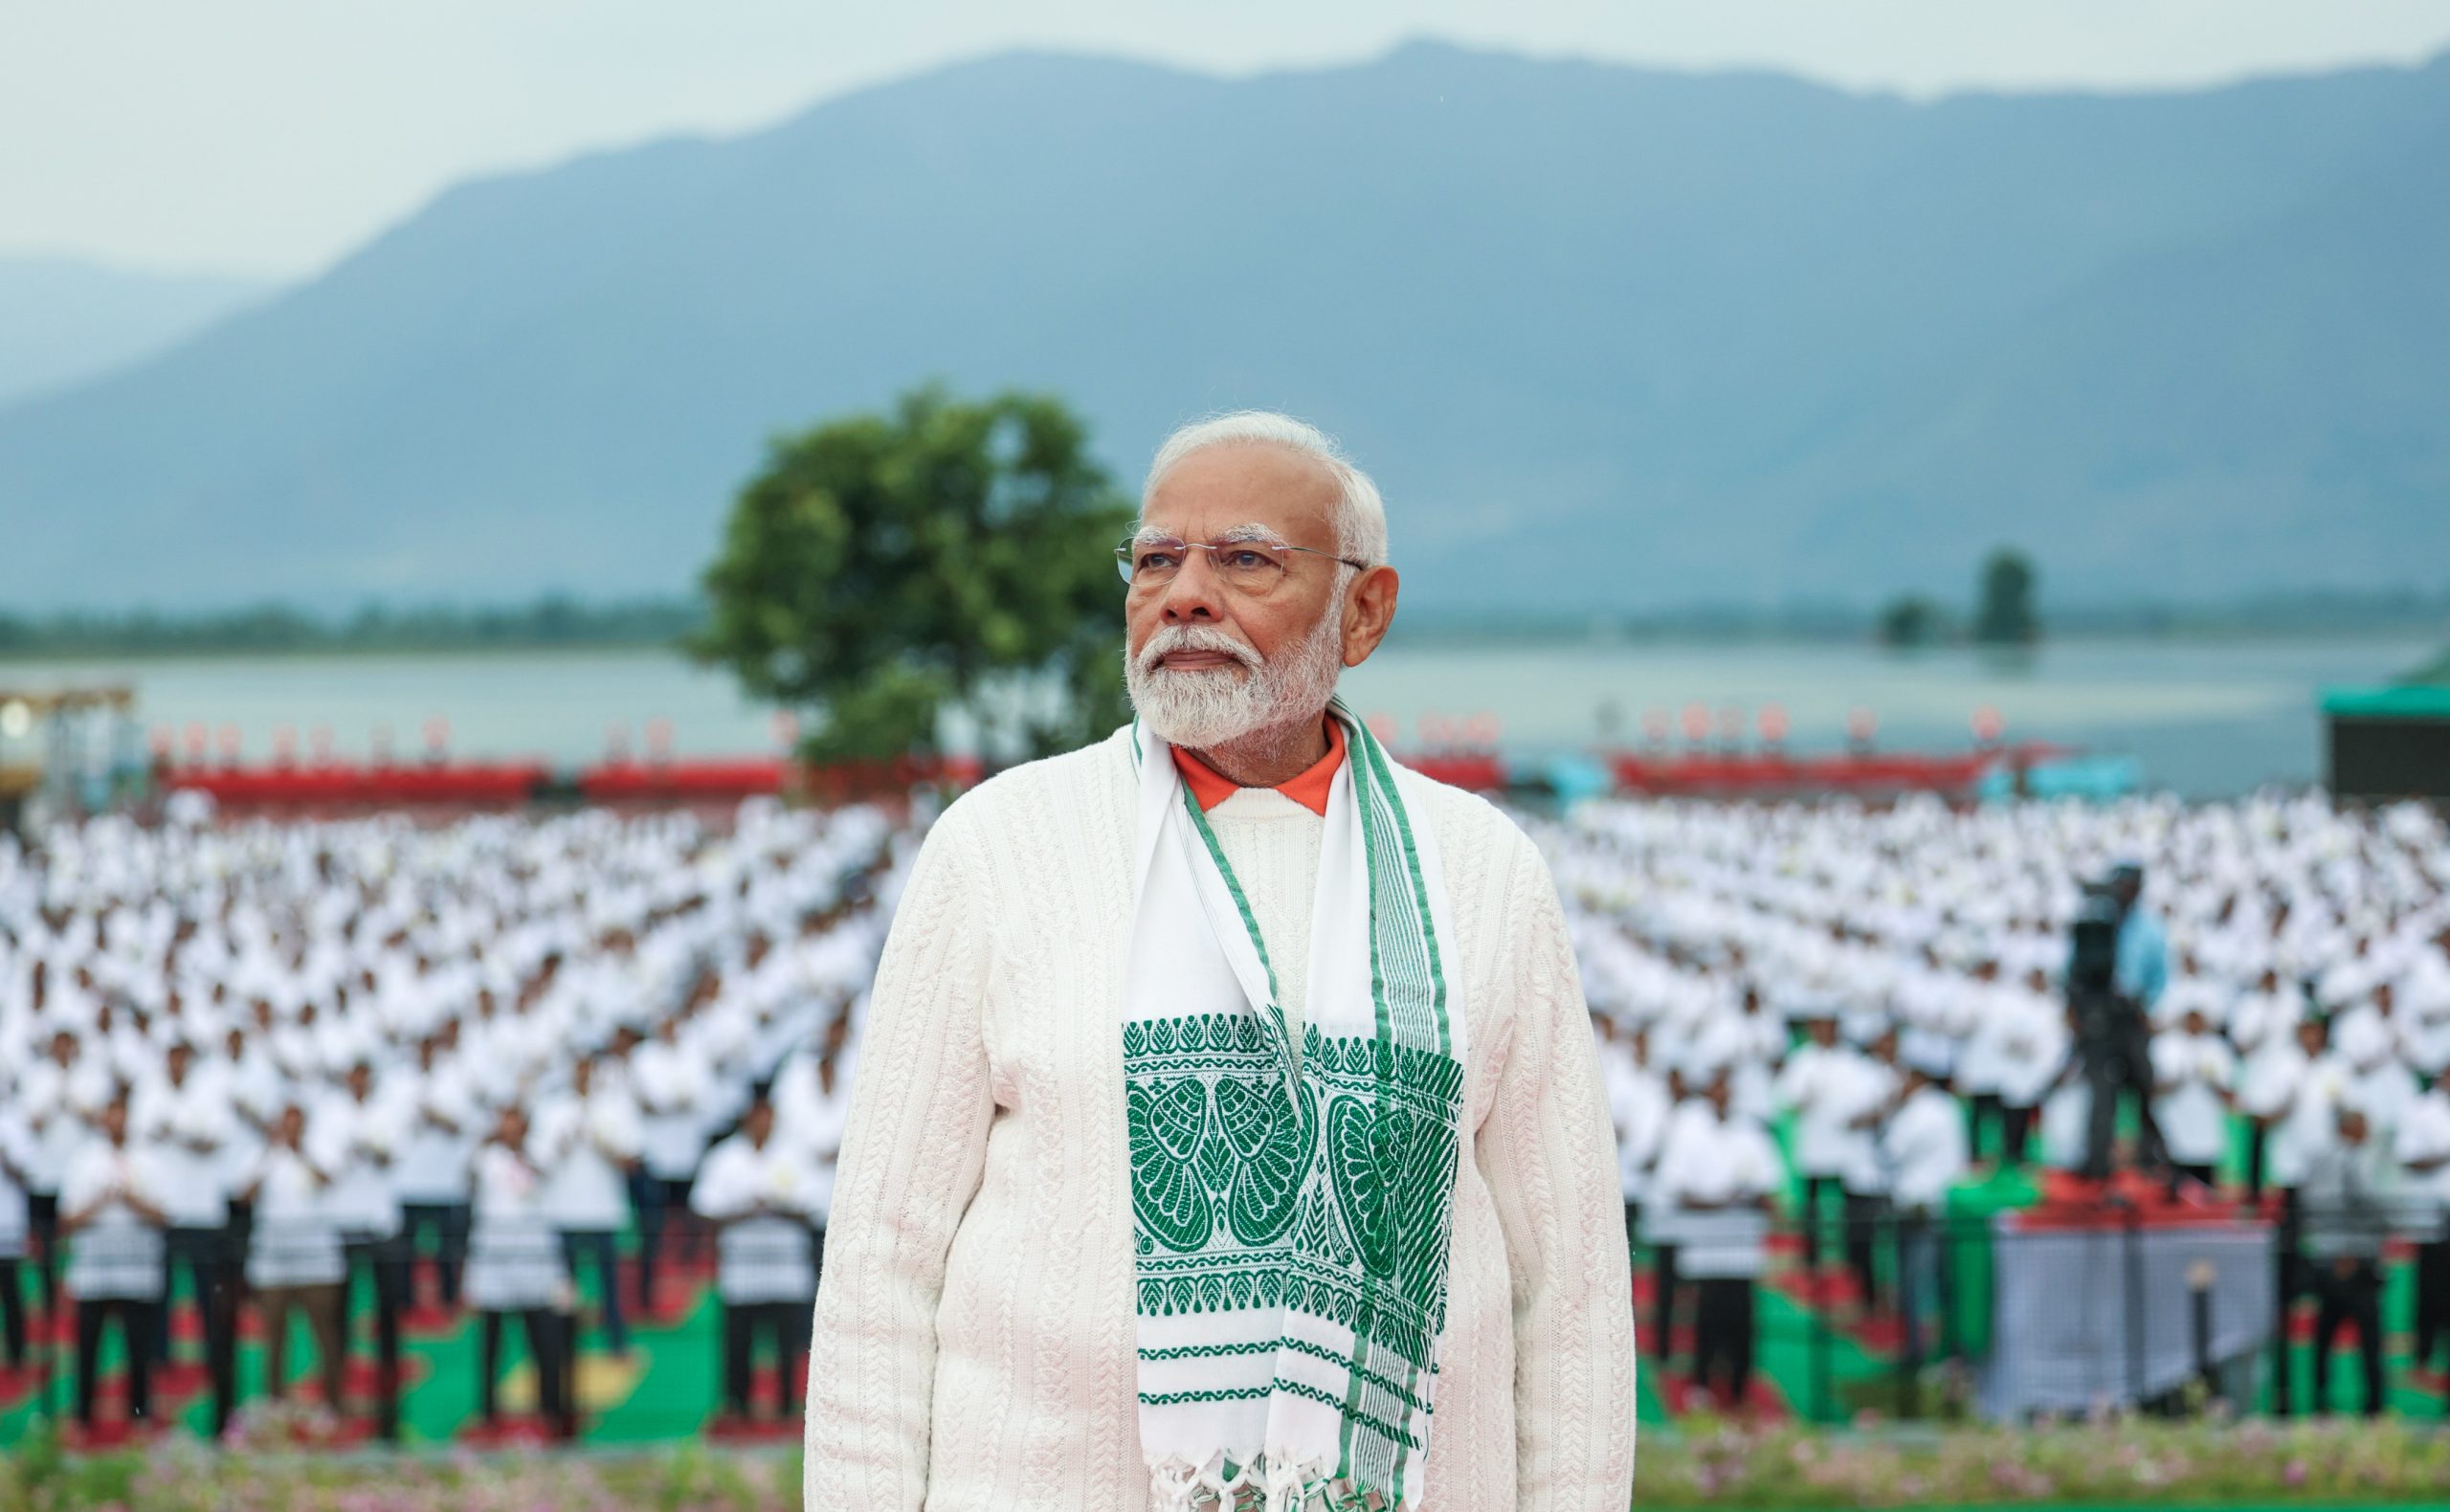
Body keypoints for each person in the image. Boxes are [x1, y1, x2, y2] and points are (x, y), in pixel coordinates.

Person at [804, 413, 1636, 1510]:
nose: (1184, 593)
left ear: (1365, 609)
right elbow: (882, 1265)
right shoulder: (998, 845)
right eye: (1156, 559)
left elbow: (1567, 1288)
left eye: (1243, 558)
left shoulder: (1480, 870)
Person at [1651, 1066, 1781, 1413]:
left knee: (1742, 1321)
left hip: (1741, 1249)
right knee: (1706, 1320)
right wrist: (1720, 1202)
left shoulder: (1751, 1134)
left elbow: (1770, 1190)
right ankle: (1703, 1386)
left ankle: (1740, 1390)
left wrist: (1745, 1198)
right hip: (1705, 1249)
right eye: (1716, 1086)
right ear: (1708, 1091)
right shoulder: (1690, 1132)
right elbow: (1675, 1188)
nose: (1722, 1093)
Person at [128, 1036, 238, 1433]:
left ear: (189, 1059)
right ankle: (162, 1357)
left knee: (206, 1291)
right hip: (164, 1210)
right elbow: (138, 1139)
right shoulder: (148, 1093)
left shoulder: (209, 1093)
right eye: (171, 1056)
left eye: (182, 1056)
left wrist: (181, 1134)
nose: (176, 1063)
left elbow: (214, 1140)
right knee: (160, 1292)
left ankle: (210, 1356)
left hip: (202, 1211)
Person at [691, 1085, 818, 1424]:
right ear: (747, 1117)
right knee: (738, 1344)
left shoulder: (794, 1154)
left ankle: (790, 1405)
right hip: (742, 1270)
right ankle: (738, 1405)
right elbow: (703, 1209)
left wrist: (775, 1206)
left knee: (790, 1344)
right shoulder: (725, 1157)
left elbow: (814, 1207)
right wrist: (747, 1210)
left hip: (787, 1269)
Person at [58, 1092, 168, 1433]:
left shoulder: (149, 1160)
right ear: (103, 1119)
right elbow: (67, 1220)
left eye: (122, 1115)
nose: (116, 1122)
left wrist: (131, 1200)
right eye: (111, 1114)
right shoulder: (82, 1161)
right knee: (87, 1349)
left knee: (139, 1350)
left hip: (137, 1268)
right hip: (93, 1269)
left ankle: (139, 1416)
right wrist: (101, 1200)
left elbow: (164, 1215)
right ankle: (82, 1417)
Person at [464, 1105, 571, 1435]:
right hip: (493, 1252)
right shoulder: (486, 1155)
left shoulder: (541, 1151)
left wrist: (521, 1152)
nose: (509, 1131)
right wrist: (486, 1144)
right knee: (491, 1338)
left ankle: (550, 1408)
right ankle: (487, 1409)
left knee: (541, 1334)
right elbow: (467, 1179)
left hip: (533, 1253)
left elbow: (546, 1175)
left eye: (515, 1125)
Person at [241, 1103, 348, 1412]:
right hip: (273, 1256)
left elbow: (328, 1179)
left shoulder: (322, 1149)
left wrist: (300, 1151)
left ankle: (333, 1406)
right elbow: (243, 1196)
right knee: (273, 1336)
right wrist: (268, 1155)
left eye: (295, 1123)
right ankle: (275, 1406)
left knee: (325, 1333)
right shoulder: (264, 1155)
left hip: (316, 1255)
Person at [538, 1051, 641, 1358]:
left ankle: (616, 1343)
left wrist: (603, 1144)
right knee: (563, 1288)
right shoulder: (552, 1109)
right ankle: (562, 1347)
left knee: (610, 1285)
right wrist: (563, 1143)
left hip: (604, 1210)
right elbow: (538, 1162)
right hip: (562, 1210)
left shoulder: (615, 1107)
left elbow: (631, 1160)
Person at [2297, 1104, 2397, 1415]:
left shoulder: (2316, 1158)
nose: (2368, 1132)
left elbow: (2306, 1203)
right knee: (2370, 1338)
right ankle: (2374, 1405)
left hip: (2324, 1258)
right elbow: (2367, 1202)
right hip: (2356, 1259)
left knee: (2324, 1334)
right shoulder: (2354, 1159)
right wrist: (2387, 1221)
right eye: (2364, 1125)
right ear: (2350, 1128)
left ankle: (2319, 1401)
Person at [1880, 1063, 1969, 1391]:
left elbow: (1891, 1151)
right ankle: (1952, 1353)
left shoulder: (1916, 1112)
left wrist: (1890, 1112)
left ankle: (1917, 1354)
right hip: (1949, 1204)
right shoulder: (1949, 1107)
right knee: (1945, 1283)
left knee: (1915, 1286)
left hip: (1918, 1208)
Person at [2151, 1003, 2238, 1189]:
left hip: (2206, 1124)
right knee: (2174, 1178)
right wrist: (2175, 1079)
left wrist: (2211, 1080)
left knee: (2205, 1180)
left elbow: (2229, 1093)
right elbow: (2153, 1087)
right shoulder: (2166, 1045)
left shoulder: (2216, 1047)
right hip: (2174, 1123)